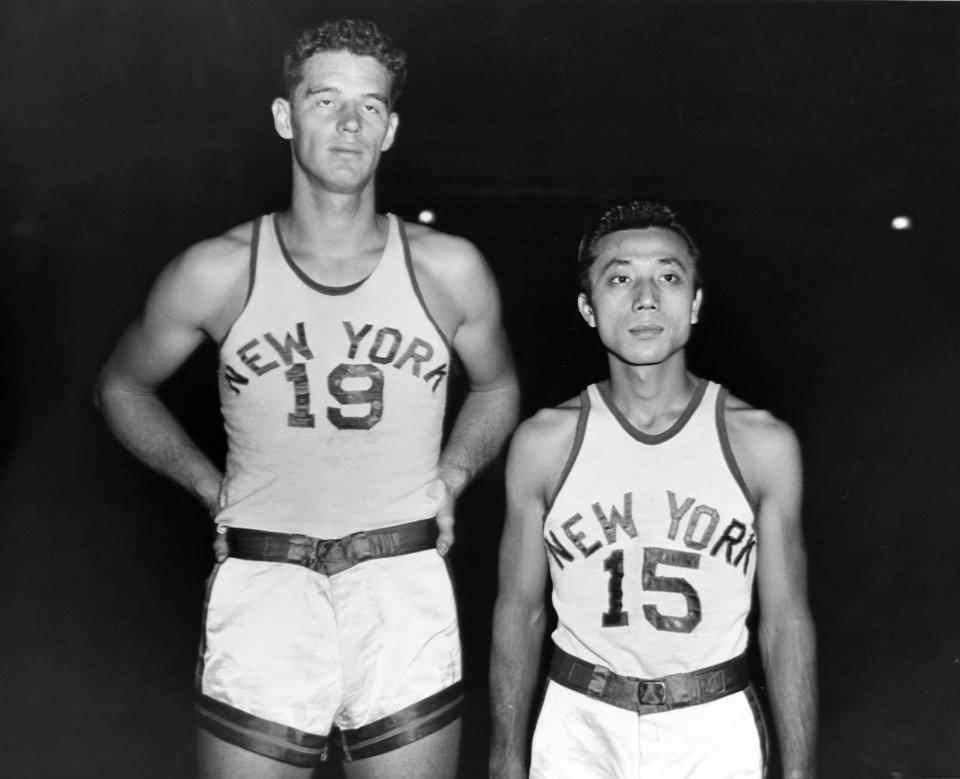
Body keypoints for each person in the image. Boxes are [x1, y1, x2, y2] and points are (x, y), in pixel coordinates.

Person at [96, 18, 518, 779]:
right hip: (265, 582)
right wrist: (204, 484)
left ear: (390, 129)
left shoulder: (450, 269)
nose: (349, 123)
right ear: (285, 117)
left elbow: (497, 383)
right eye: (326, 101)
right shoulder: (216, 270)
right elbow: (122, 385)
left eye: (369, 106)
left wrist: (453, 476)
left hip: (400, 577)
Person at [489, 200, 816, 778]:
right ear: (588, 309)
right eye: (620, 278)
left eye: (668, 276)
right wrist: (506, 759)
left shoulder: (761, 443)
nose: (646, 297)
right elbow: (520, 612)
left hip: (714, 724)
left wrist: (799, 770)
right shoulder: (543, 442)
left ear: (694, 302)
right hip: (579, 724)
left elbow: (786, 621)